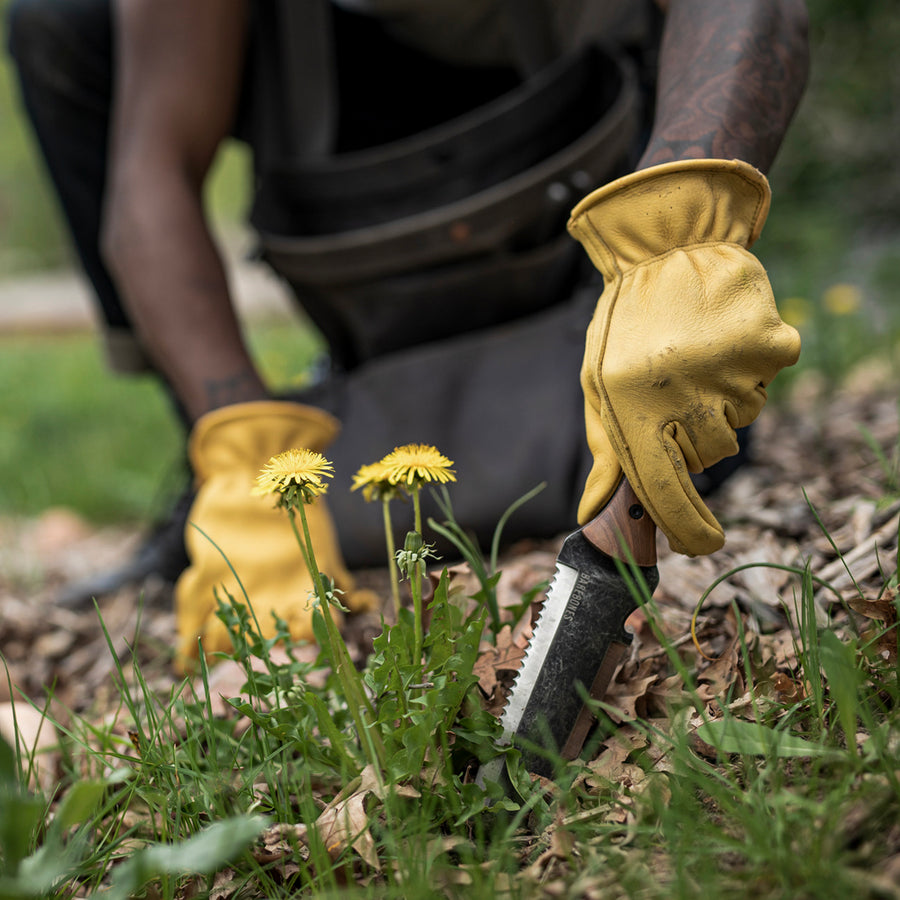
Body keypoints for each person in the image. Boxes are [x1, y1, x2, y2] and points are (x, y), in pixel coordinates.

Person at [6, 0, 808, 668]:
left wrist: (681, 245)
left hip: (587, 196)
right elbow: (152, 169)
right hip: (347, 166)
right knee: (64, 21)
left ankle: (652, 381)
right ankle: (223, 485)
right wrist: (244, 450)